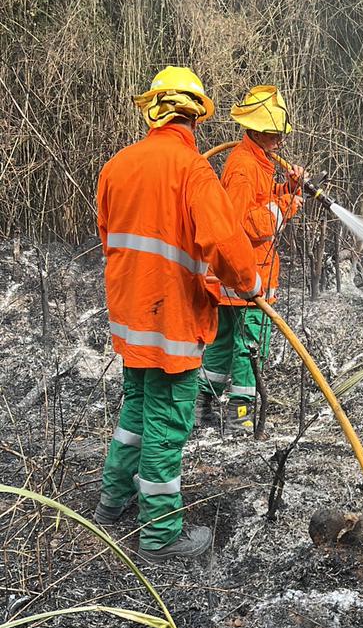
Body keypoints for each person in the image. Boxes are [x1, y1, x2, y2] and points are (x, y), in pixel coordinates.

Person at [94, 66, 262, 562]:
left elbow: (111, 239)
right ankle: (160, 535)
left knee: (136, 410)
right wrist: (248, 284)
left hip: (130, 318)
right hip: (172, 324)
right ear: (195, 116)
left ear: (153, 112)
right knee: (167, 424)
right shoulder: (192, 171)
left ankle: (111, 500)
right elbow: (227, 245)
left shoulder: (117, 165)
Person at [196, 85, 303, 433]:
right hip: (246, 279)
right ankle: (240, 416)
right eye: (274, 134)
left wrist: (285, 190)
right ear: (256, 131)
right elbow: (240, 225)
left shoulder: (256, 161)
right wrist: (284, 206)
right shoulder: (243, 166)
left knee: (223, 342)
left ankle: (205, 405)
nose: (280, 141)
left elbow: (260, 203)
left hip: (234, 279)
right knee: (249, 347)